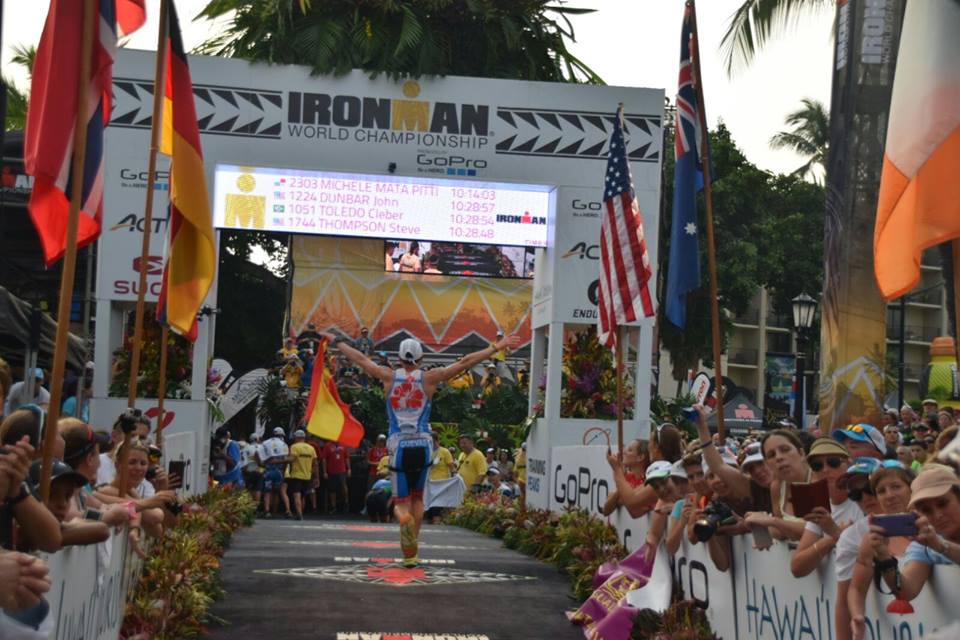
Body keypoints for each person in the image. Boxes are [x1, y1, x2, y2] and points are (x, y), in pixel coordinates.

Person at [323, 329, 520, 567]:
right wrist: (496, 347)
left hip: (399, 444)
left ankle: (404, 521)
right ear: (420, 359)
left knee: (401, 503)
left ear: (399, 358)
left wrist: (336, 341)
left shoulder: (387, 376)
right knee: (418, 499)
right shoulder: (430, 378)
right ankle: (411, 553)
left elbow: (360, 359)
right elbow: (466, 362)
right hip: (424, 444)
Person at [846, 462, 916, 640]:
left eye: (896, 487)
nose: (889, 495)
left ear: (912, 488)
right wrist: (857, 615)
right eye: (881, 491)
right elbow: (856, 587)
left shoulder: (938, 524)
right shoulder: (873, 538)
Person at [873, 464, 960, 602]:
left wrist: (941, 546)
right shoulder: (925, 543)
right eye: (927, 510)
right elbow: (906, 592)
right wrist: (884, 557)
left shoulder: (933, 542)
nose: (937, 515)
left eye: (943, 503)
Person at [790, 438, 862, 578]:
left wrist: (834, 532)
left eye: (833, 462)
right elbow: (797, 568)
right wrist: (831, 538)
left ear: (848, 464)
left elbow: (871, 555)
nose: (825, 469)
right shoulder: (820, 508)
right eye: (817, 466)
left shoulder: (863, 500)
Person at [261, 427, 291, 518]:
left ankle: (267, 511)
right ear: (281, 435)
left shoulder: (265, 443)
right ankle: (287, 510)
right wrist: (283, 472)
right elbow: (286, 460)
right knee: (281, 492)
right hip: (279, 471)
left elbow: (262, 458)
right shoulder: (284, 444)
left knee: (267, 492)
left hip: (268, 471)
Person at [287, 430, 317, 521]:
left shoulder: (294, 447)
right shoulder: (311, 448)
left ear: (296, 438)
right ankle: (301, 513)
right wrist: (316, 477)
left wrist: (281, 459)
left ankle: (299, 514)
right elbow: (315, 463)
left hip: (296, 475)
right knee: (302, 496)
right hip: (307, 476)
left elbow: (291, 459)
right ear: (304, 438)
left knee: (297, 496)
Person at [322, 439, 351, 514]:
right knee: (332, 489)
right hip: (331, 470)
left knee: (343, 486)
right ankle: (333, 506)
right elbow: (324, 459)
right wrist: (325, 471)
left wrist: (349, 469)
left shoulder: (344, 445)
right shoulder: (327, 445)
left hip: (342, 470)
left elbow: (347, 457)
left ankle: (346, 502)